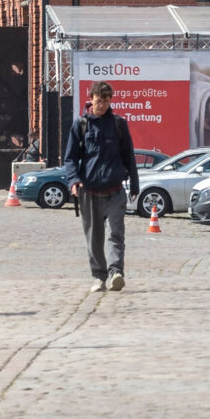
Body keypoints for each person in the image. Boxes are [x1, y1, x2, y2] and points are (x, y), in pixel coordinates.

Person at [62, 83, 139, 292]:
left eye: (106, 101)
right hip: (89, 191)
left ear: (110, 100)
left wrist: (134, 183)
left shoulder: (119, 124)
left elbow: (128, 155)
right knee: (94, 237)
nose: (102, 105)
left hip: (115, 189)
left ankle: (116, 272)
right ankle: (99, 276)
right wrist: (73, 180)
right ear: (91, 99)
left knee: (116, 233)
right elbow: (70, 158)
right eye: (98, 101)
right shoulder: (81, 125)